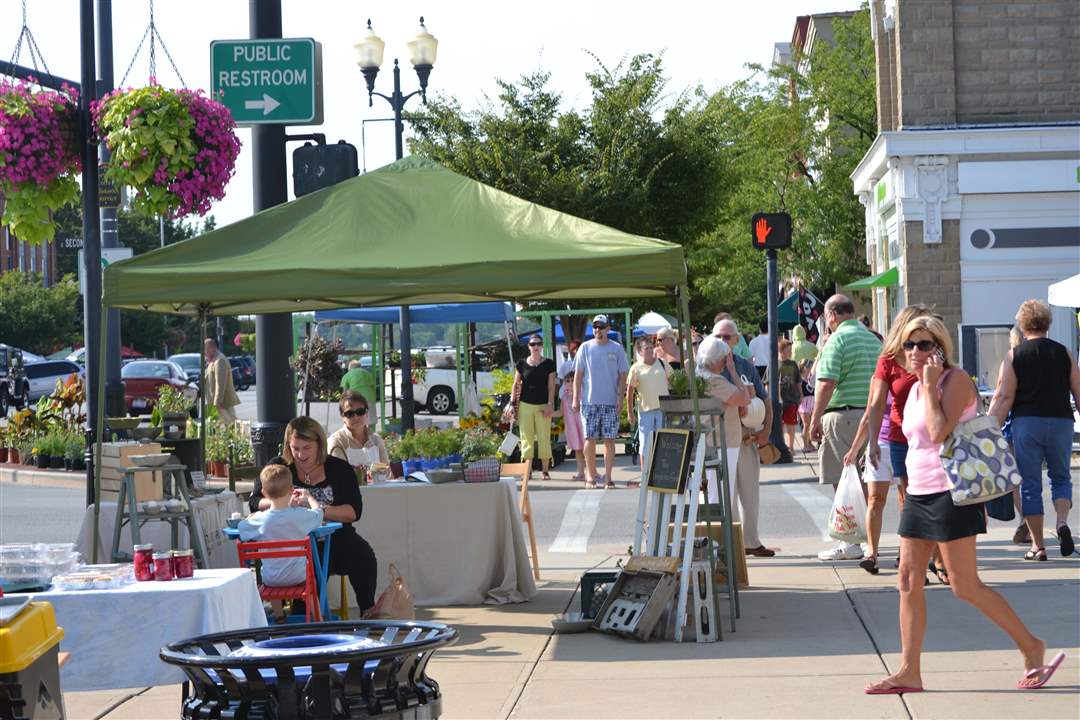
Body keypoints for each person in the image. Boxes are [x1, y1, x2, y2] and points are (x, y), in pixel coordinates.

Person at [865, 315, 1060, 695]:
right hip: (919, 492)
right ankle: (909, 671)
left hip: (953, 493)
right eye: (910, 345)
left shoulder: (954, 381)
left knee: (964, 585)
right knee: (906, 580)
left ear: (940, 347)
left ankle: (1031, 645)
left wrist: (927, 383)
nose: (916, 352)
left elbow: (939, 433)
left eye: (925, 344)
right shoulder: (917, 388)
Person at [249, 417, 379, 613]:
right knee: (307, 579)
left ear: (320, 444)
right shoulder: (279, 467)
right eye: (295, 448)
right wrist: (281, 503)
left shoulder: (339, 468)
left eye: (306, 448)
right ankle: (303, 621)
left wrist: (317, 509)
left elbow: (353, 512)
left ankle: (368, 611)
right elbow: (254, 502)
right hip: (294, 543)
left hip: (336, 539)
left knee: (364, 556)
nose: (300, 454)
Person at [843, 304, 934, 576]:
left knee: (911, 499)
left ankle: (909, 556)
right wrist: (868, 444)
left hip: (925, 438)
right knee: (876, 498)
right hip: (892, 437)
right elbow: (875, 405)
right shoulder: (889, 360)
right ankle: (872, 552)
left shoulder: (932, 357)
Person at [989, 300, 1080, 560]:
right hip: (1061, 422)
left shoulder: (1015, 355)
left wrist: (991, 428)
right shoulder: (1064, 352)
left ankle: (1038, 546)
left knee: (1029, 484)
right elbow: (1078, 389)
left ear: (1023, 323)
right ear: (1047, 322)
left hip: (1027, 423)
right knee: (1061, 477)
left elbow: (1005, 396)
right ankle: (1062, 522)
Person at [810, 294, 882, 562]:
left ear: (831, 315)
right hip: (871, 417)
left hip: (842, 416)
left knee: (843, 483)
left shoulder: (837, 339)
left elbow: (827, 382)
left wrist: (815, 419)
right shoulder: (872, 339)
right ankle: (867, 542)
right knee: (866, 482)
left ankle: (851, 541)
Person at [714, 318, 775, 558]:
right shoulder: (705, 366)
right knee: (724, 495)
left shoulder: (744, 365)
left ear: (737, 340)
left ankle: (750, 541)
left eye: (727, 337)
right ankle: (731, 544)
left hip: (747, 436)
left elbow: (765, 398)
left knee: (750, 492)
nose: (722, 341)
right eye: (718, 337)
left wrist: (767, 431)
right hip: (720, 438)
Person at [239, 464, 324, 622]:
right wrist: (310, 498)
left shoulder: (260, 520)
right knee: (310, 583)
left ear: (264, 493)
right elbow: (319, 515)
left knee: (270, 571)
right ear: (292, 490)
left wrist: (253, 516)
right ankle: (318, 617)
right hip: (298, 576)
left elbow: (241, 529)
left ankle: (279, 616)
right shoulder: (299, 516)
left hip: (271, 579)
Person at [572, 315, 630, 489]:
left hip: (610, 402)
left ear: (608, 328)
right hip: (589, 402)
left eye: (601, 327)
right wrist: (576, 398)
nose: (598, 330)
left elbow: (622, 375)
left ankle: (608, 478)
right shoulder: (585, 347)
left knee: (609, 440)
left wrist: (621, 398)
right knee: (589, 439)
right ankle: (590, 476)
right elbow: (578, 375)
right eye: (595, 327)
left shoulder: (617, 348)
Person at [696, 336, 751, 508]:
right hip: (722, 442)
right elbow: (745, 398)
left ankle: (705, 533)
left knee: (708, 493)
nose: (726, 362)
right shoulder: (715, 380)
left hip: (711, 441)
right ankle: (713, 534)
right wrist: (733, 371)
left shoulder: (700, 376)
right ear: (716, 359)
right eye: (724, 358)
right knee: (718, 495)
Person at [513, 337, 557, 482]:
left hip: (543, 405)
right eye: (533, 344)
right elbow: (516, 384)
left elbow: (551, 386)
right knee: (526, 439)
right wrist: (513, 403)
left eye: (538, 344)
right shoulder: (521, 364)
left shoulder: (549, 364)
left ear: (542, 346)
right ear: (529, 346)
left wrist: (550, 404)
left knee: (544, 437)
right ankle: (528, 470)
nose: (536, 346)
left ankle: (545, 470)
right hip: (525, 405)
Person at [626, 337, 671, 466]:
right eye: (646, 348)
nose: (650, 350)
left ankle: (661, 476)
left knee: (663, 444)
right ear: (640, 351)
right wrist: (630, 412)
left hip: (663, 411)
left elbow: (674, 380)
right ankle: (645, 478)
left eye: (651, 347)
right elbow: (629, 391)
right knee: (645, 445)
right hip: (645, 411)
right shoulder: (635, 368)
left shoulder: (662, 363)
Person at [327, 391, 388, 483]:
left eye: (360, 412)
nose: (355, 417)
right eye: (349, 414)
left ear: (366, 413)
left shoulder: (376, 440)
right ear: (342, 417)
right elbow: (340, 476)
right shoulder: (336, 441)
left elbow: (386, 473)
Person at [558, 341, 586, 481]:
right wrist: (547, 413)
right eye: (567, 381)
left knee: (587, 448)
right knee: (578, 450)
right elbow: (560, 412)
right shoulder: (564, 397)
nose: (569, 383)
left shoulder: (582, 394)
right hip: (572, 427)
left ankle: (593, 472)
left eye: (572, 380)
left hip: (582, 424)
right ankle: (581, 473)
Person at [204, 338, 240, 424]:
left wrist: (217, 401)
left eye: (206, 350)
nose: (205, 353)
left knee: (231, 423)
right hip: (216, 402)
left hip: (222, 403)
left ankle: (237, 437)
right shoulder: (214, 360)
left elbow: (220, 383)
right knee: (223, 426)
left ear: (213, 348)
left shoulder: (220, 360)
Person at [777, 339, 802, 454]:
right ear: (780, 350)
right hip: (779, 399)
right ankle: (782, 445)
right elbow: (767, 382)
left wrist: (801, 395)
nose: (790, 353)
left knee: (791, 424)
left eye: (790, 350)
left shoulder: (793, 364)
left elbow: (798, 381)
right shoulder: (774, 364)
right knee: (780, 424)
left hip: (791, 398)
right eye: (787, 350)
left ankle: (791, 447)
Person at [340, 359, 379, 427]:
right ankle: (370, 433)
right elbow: (373, 386)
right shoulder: (367, 373)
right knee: (370, 418)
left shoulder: (347, 375)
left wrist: (343, 402)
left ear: (350, 368)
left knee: (358, 417)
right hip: (370, 397)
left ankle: (360, 433)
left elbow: (345, 391)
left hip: (357, 398)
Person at [798, 359, 817, 451]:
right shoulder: (800, 379)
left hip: (812, 402)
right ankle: (805, 445)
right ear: (805, 368)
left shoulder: (812, 378)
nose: (813, 369)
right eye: (811, 367)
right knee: (806, 424)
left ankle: (809, 443)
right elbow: (799, 392)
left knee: (810, 424)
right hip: (804, 403)